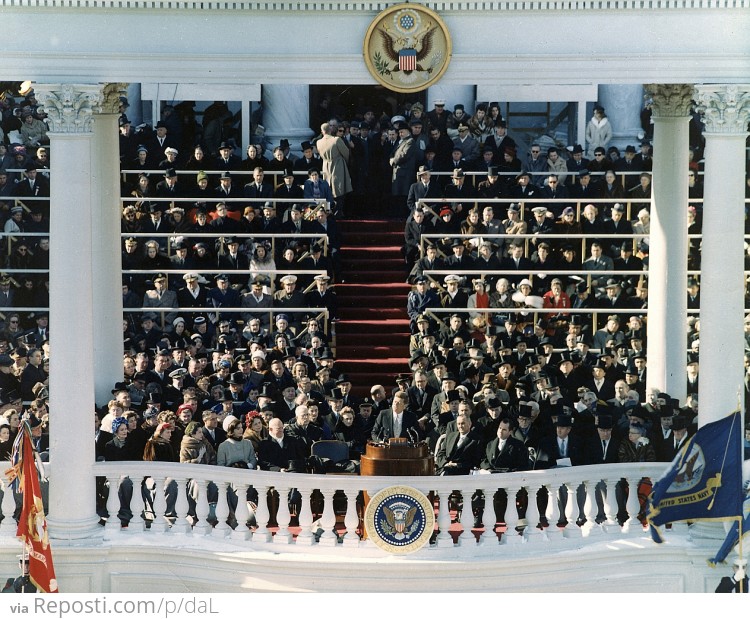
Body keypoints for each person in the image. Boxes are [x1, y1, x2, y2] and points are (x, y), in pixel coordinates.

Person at [316, 122, 352, 215]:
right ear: (330, 130)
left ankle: (330, 211)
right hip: (338, 164)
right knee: (339, 188)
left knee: (329, 188)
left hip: (325, 165)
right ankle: (338, 211)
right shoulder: (336, 140)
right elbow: (346, 153)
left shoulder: (318, 142)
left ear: (322, 131)